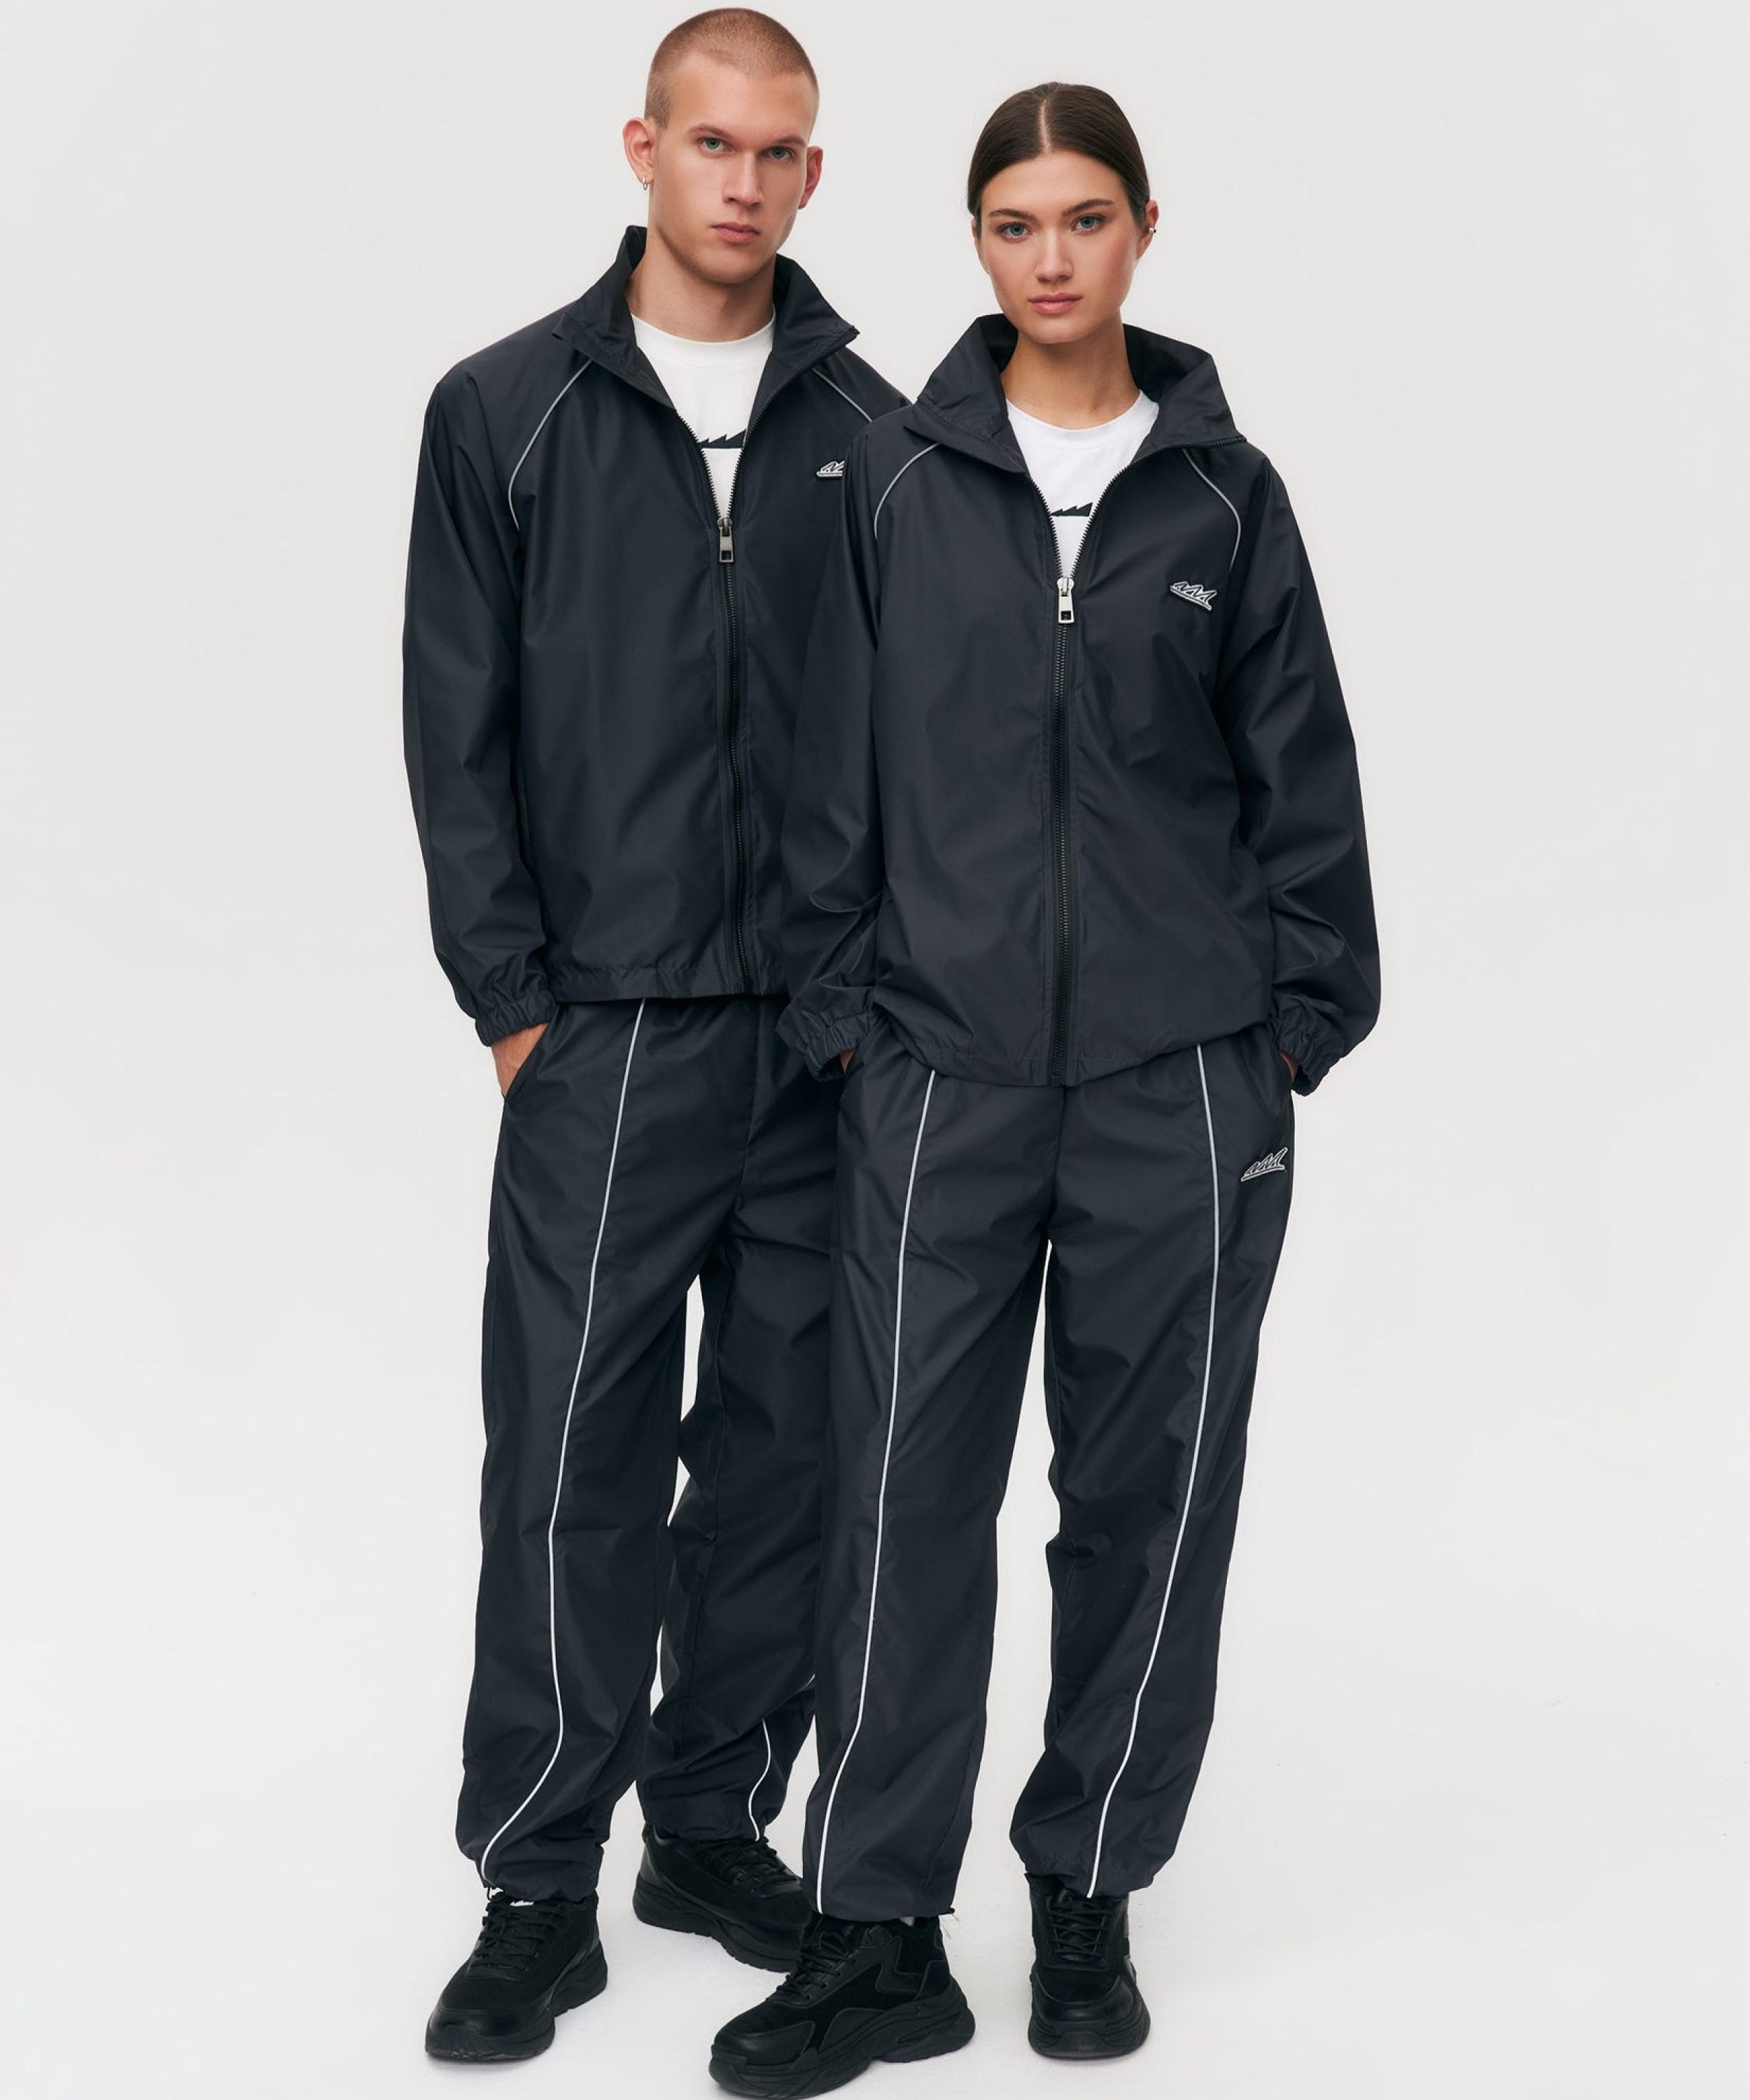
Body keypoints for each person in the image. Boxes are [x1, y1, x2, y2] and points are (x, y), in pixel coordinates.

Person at [710, 80, 1380, 2096]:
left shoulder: (1226, 498)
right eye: (1016, 223)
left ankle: (1088, 1888)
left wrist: (1289, 1032)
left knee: (1147, 1499)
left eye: (1086, 217)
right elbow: (826, 778)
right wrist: (854, 1025)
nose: (1053, 256)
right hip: (942, 1075)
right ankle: (876, 1927)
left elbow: (1304, 778)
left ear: (1142, 231)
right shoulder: (897, 484)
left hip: (1184, 1083)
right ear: (979, 246)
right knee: (899, 1496)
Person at [400, 10, 904, 2063]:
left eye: (780, 152)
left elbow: (927, 738)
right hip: (603, 1031)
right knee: (568, 1460)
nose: (744, 182)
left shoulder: (873, 429)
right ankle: (539, 1882)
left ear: (813, 173)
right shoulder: (505, 409)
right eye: (712, 143)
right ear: (642, 148)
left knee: (790, 1456)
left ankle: (708, 1826)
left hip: (820, 1042)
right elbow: (454, 727)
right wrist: (515, 1004)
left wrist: (873, 995)